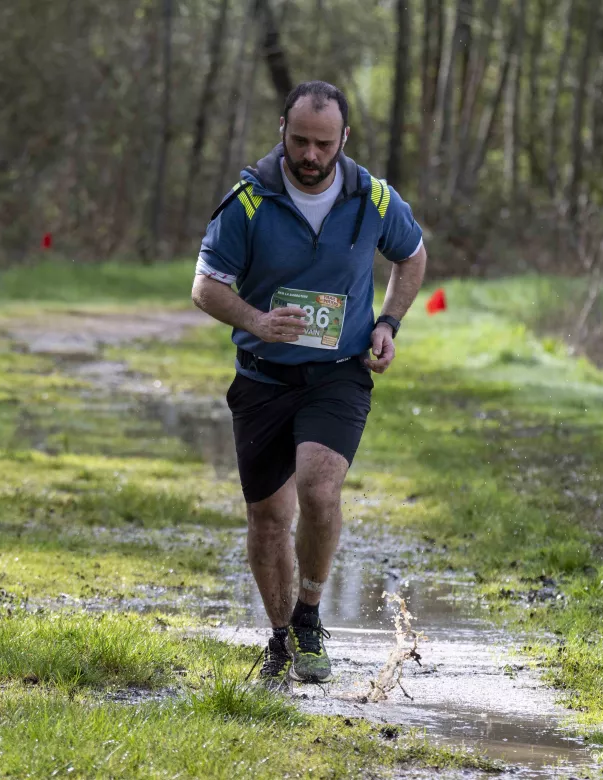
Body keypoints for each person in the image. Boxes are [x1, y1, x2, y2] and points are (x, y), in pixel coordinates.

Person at [191, 81, 427, 689]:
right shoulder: (249, 202)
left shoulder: (373, 198)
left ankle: (309, 615)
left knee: (320, 490)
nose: (311, 156)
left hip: (338, 375)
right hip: (262, 376)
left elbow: (412, 255)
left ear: (344, 138)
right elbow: (206, 286)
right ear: (282, 131)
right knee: (269, 517)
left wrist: (388, 323)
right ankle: (279, 637)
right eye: (300, 141)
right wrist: (257, 321)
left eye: (324, 143)